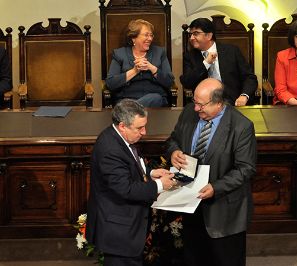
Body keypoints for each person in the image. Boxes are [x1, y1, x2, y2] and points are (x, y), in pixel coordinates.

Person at [166, 78, 257, 266]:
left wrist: (215, 187)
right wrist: (174, 152)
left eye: (201, 104)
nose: (196, 109)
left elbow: (245, 169)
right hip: (191, 206)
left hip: (224, 212)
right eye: (195, 102)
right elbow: (173, 139)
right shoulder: (189, 114)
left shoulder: (241, 126)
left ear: (218, 102)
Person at [86, 99, 176, 266]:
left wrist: (151, 172)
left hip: (125, 228)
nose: (144, 132)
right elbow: (125, 188)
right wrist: (159, 185)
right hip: (119, 232)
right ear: (122, 126)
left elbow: (130, 166)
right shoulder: (110, 149)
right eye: (139, 128)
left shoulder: (122, 138)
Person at [180, 18, 258, 106]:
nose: (191, 38)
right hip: (205, 105)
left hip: (233, 102)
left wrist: (244, 96)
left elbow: (250, 77)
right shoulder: (189, 56)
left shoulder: (232, 51)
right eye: (190, 34)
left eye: (196, 34)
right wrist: (206, 63)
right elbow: (186, 82)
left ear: (209, 36)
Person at [106, 19, 174, 107]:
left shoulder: (160, 52)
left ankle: (131, 109)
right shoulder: (119, 54)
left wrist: (152, 68)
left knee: (154, 98)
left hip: (154, 101)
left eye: (151, 35)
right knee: (125, 104)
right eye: (146, 35)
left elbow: (169, 81)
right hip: (126, 99)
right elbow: (111, 83)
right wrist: (135, 70)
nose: (150, 39)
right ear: (133, 37)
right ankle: (132, 108)